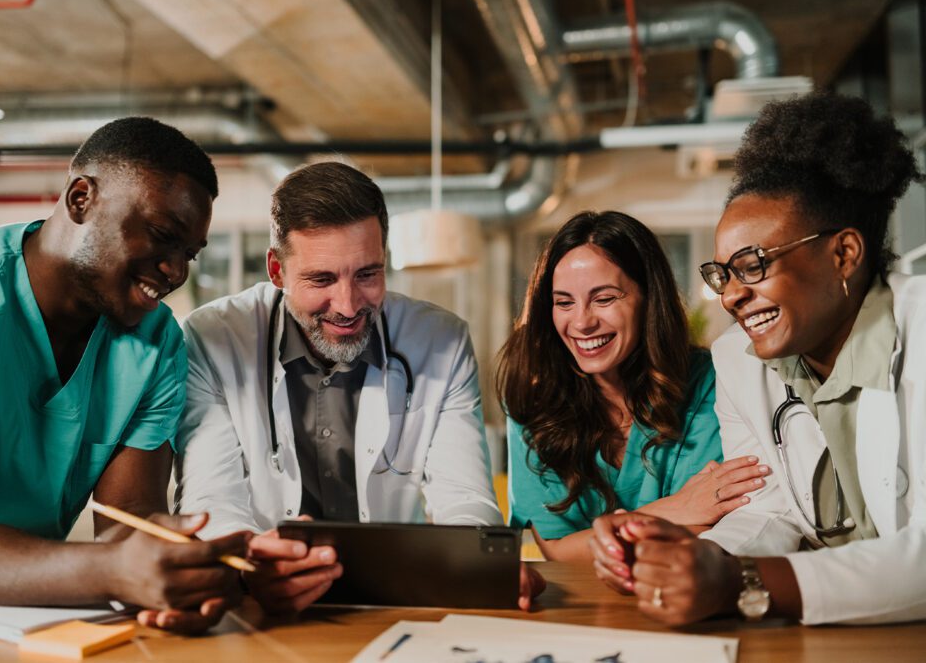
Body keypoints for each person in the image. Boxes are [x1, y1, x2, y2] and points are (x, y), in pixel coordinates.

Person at [0, 117, 301, 635]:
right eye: (163, 236)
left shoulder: (157, 342)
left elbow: (131, 522)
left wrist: (197, 574)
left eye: (190, 254)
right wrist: (113, 573)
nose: (177, 272)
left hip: (26, 617)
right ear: (81, 199)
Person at [590, 91, 926, 626]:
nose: (729, 296)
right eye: (722, 274)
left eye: (753, 264)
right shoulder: (738, 360)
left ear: (844, 253)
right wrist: (693, 557)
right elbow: (769, 508)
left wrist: (741, 582)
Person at [175, 161, 543, 613]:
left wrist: (477, 567)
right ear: (276, 270)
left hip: (399, 600)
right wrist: (250, 564)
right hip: (262, 603)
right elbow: (211, 501)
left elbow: (464, 498)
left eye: (367, 274)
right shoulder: (212, 338)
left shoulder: (441, 341)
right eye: (321, 279)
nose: (348, 306)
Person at [497, 211, 766, 564]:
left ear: (649, 299)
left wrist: (601, 535)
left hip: (690, 587)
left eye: (604, 298)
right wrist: (675, 509)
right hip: (585, 606)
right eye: (564, 302)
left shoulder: (712, 385)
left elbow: (715, 519)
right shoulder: (533, 403)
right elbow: (558, 550)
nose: (581, 322)